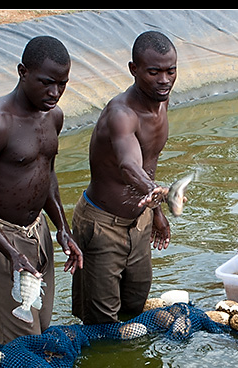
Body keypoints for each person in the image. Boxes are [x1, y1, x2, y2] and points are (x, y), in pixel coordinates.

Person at [0, 35, 82, 344]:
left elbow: (46, 174)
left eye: (62, 84)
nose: (55, 93)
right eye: (46, 83)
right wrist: (10, 252)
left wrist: (62, 229)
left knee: (41, 323)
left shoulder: (54, 116)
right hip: (0, 237)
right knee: (21, 343)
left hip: (37, 231)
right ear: (22, 72)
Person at [70, 31, 177, 325]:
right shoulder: (121, 114)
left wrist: (155, 213)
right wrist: (160, 193)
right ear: (134, 70)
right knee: (101, 321)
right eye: (154, 72)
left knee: (134, 304)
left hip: (140, 222)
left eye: (171, 71)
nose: (164, 80)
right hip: (103, 225)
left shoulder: (162, 102)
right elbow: (130, 166)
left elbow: (149, 164)